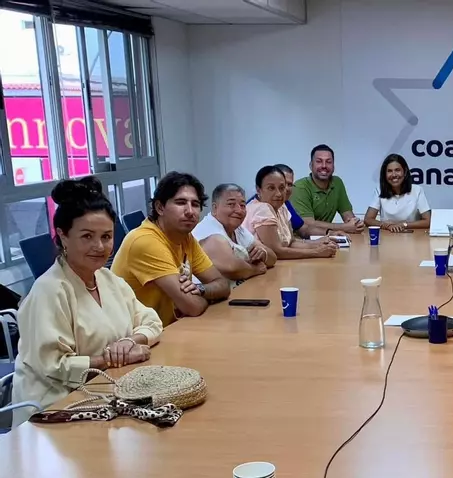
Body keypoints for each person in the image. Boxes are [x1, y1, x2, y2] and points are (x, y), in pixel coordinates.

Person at [11, 177, 163, 426]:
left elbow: (151, 321)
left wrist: (129, 342)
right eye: (87, 236)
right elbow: (55, 366)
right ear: (63, 236)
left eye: (106, 236)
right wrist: (116, 359)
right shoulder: (50, 291)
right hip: (56, 410)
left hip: (106, 394)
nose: (99, 246)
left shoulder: (107, 279)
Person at [112, 172, 230, 327]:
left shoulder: (186, 238)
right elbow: (193, 307)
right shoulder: (145, 241)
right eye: (181, 202)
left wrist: (200, 289)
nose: (190, 211)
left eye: (195, 204)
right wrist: (203, 298)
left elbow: (223, 285)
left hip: (168, 328)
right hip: (135, 336)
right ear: (160, 207)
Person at [244, 165, 338, 260]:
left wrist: (317, 244)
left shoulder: (282, 206)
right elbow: (276, 252)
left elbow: (291, 242)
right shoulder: (262, 209)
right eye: (271, 188)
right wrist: (316, 252)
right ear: (258, 190)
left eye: (281, 188)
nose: (278, 194)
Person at [192, 183, 276, 287]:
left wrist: (263, 254)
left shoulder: (238, 229)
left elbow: (273, 257)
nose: (239, 210)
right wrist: (255, 269)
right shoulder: (209, 229)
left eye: (242, 205)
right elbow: (232, 267)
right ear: (214, 208)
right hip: (205, 293)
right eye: (231, 204)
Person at [290, 144, 365, 235]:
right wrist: (344, 227)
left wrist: (356, 223)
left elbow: (348, 215)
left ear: (333, 166)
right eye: (319, 161)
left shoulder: (337, 183)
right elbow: (308, 224)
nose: (324, 166)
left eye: (328, 162)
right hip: (302, 240)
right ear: (311, 165)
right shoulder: (300, 187)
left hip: (329, 237)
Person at [364, 154, 432, 231]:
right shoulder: (379, 190)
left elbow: (428, 221)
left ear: (405, 172)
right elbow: (368, 219)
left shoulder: (417, 190)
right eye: (389, 171)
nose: (394, 175)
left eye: (397, 170)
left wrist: (403, 225)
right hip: (387, 235)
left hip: (412, 235)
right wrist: (386, 225)